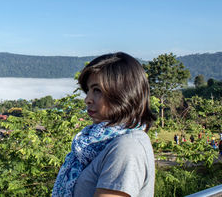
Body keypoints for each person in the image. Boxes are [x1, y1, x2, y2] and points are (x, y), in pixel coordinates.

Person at [52, 52, 156, 197]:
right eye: (88, 90)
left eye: (97, 90)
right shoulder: (99, 144)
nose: (87, 99)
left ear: (124, 93)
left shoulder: (127, 148)